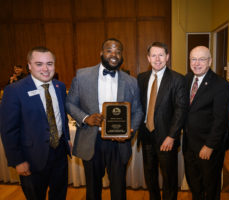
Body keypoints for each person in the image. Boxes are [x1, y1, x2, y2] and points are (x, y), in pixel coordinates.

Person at [66, 38, 143, 200]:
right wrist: (86, 118)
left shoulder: (131, 82)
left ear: (122, 56)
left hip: (119, 142)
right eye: (109, 50)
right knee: (93, 190)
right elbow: (70, 103)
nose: (114, 55)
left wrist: (130, 131)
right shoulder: (82, 76)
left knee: (119, 190)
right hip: (92, 140)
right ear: (101, 53)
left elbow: (138, 111)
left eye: (118, 51)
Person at [0, 46, 71, 200]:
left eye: (50, 63)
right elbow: (9, 130)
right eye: (39, 64)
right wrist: (18, 160)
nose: (45, 68)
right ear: (29, 66)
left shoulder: (60, 87)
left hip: (59, 155)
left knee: (59, 195)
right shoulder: (14, 90)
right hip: (31, 158)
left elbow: (61, 117)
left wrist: (68, 138)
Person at [137, 42, 188, 200]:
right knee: (150, 176)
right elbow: (138, 105)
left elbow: (181, 110)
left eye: (161, 55)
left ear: (167, 57)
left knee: (169, 178)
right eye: (153, 55)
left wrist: (172, 136)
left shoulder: (177, 79)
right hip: (146, 135)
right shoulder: (141, 78)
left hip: (167, 138)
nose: (157, 59)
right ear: (148, 58)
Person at [183, 46, 229, 200]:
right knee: (194, 184)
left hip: (208, 147)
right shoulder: (187, 79)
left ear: (209, 61)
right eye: (193, 59)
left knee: (210, 187)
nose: (197, 63)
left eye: (202, 59)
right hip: (189, 145)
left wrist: (209, 145)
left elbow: (220, 120)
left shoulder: (220, 85)